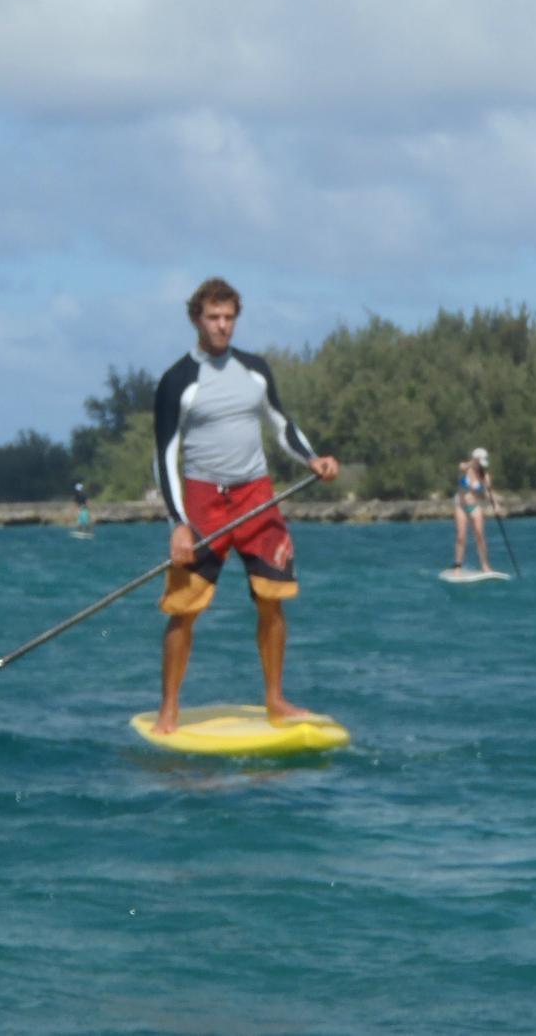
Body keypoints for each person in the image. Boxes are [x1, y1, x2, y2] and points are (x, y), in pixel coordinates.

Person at [151, 276, 340, 732]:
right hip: (202, 502)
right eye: (213, 317)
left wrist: (313, 458)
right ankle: (169, 707)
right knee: (185, 609)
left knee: (272, 601)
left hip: (256, 496)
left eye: (229, 318)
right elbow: (163, 456)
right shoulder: (177, 381)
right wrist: (178, 523)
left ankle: (275, 699)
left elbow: (282, 426)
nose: (221, 327)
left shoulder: (255, 370)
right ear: (196, 318)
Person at [450, 447, 499, 572]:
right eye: (479, 462)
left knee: (479, 535)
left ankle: (485, 565)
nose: (481, 465)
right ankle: (457, 565)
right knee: (461, 536)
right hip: (461, 506)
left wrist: (496, 505)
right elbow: (461, 466)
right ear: (475, 460)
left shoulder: (485, 476)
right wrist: (473, 461)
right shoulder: (464, 469)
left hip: (475, 506)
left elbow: (489, 493)